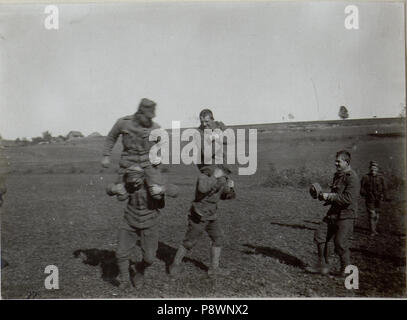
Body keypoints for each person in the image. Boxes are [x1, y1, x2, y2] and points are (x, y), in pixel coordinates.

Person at [114, 166, 178, 290]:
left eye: (137, 181)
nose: (134, 183)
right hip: (129, 221)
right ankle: (125, 280)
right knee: (121, 253)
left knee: (149, 258)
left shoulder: (152, 183)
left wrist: (162, 189)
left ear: (143, 177)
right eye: (131, 181)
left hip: (149, 223)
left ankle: (140, 270)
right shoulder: (128, 184)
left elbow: (176, 190)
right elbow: (112, 191)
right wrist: (114, 189)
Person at [169, 165, 235, 277]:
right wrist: (214, 176)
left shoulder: (222, 179)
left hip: (211, 215)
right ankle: (175, 265)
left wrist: (231, 188)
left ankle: (214, 269)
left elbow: (226, 196)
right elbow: (203, 189)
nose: (225, 174)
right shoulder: (203, 177)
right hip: (199, 214)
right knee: (189, 242)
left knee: (218, 238)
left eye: (226, 172)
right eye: (224, 171)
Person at [101, 98, 166, 200]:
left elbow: (162, 143)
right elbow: (111, 138)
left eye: (151, 118)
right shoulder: (123, 123)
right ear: (140, 113)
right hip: (128, 162)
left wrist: (158, 158)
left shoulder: (155, 127)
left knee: (157, 195)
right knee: (121, 196)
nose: (149, 120)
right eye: (147, 117)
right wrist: (106, 155)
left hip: (148, 163)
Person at [308, 150, 360, 276]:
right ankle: (322, 266)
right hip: (333, 213)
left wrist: (329, 196)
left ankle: (346, 270)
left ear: (346, 162)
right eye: (335, 161)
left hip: (346, 215)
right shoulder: (337, 175)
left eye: (338, 161)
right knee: (319, 235)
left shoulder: (352, 178)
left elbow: (348, 199)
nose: (335, 163)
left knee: (340, 243)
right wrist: (321, 195)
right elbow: (335, 195)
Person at [360, 161, 387, 237]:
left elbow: (384, 188)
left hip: (378, 199)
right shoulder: (365, 177)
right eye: (372, 169)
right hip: (369, 199)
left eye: (375, 169)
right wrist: (366, 194)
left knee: (377, 215)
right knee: (372, 214)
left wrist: (383, 196)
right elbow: (361, 188)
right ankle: (372, 231)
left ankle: (374, 229)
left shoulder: (381, 177)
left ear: (377, 169)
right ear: (369, 169)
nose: (373, 170)